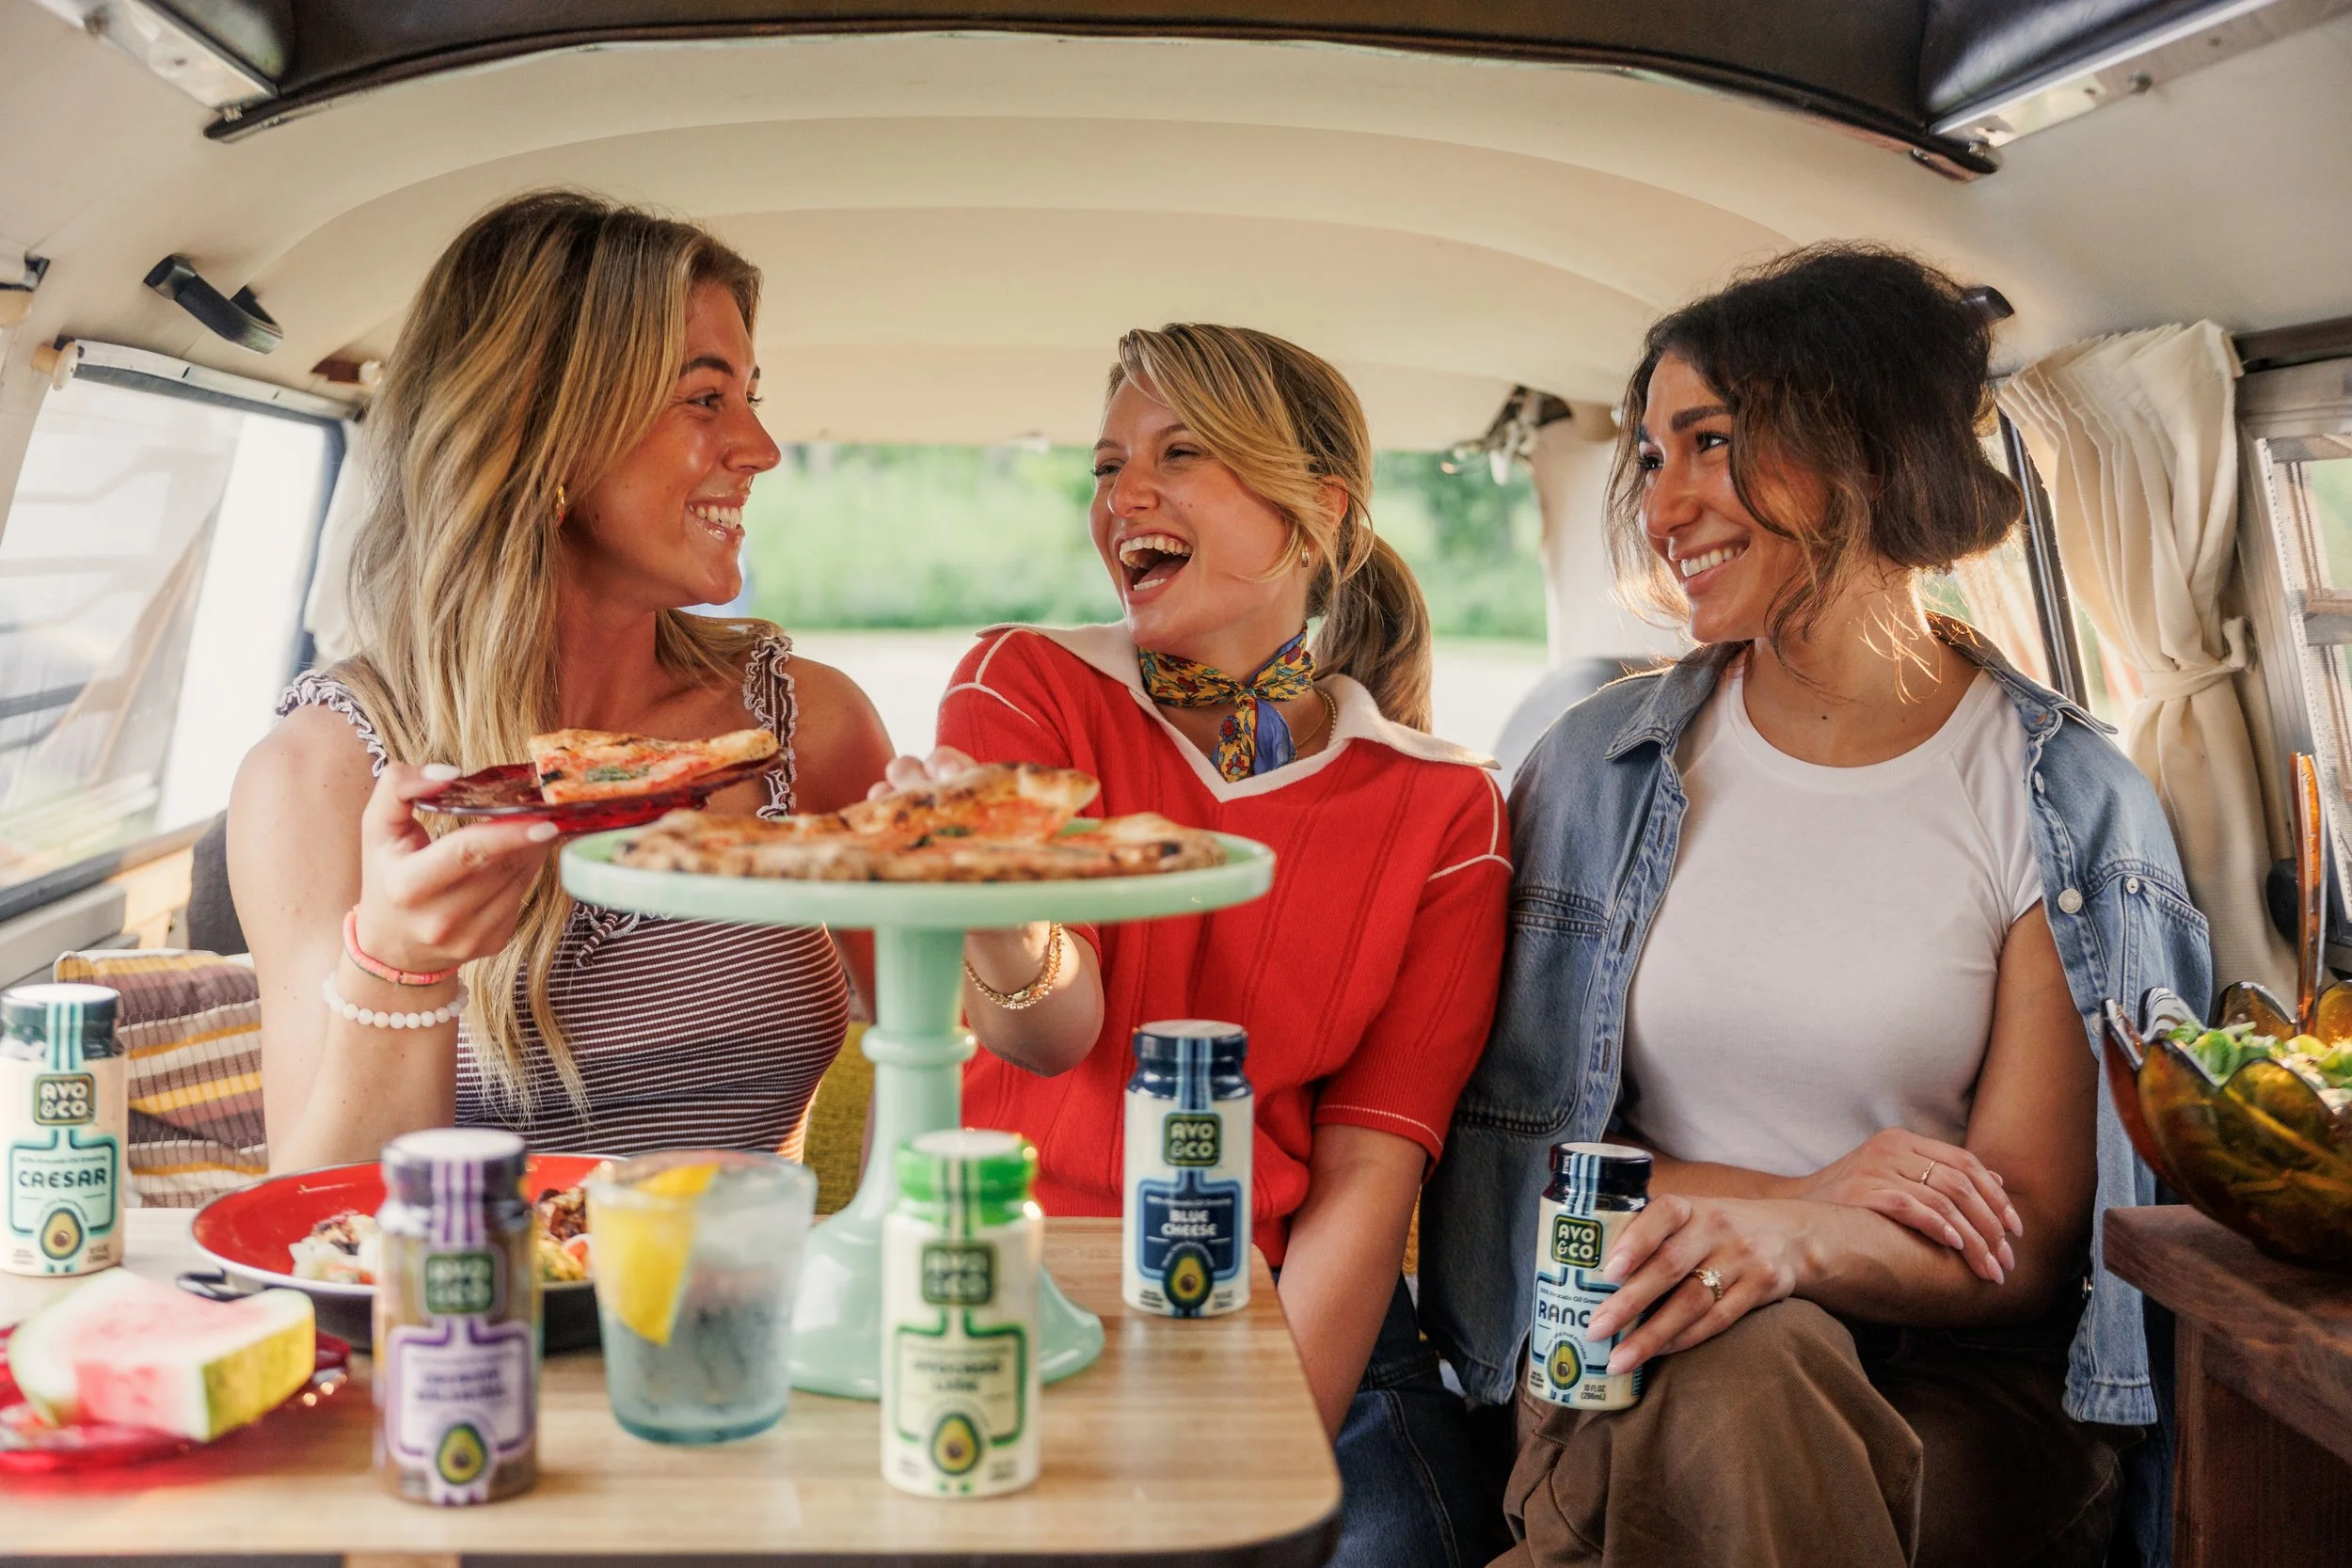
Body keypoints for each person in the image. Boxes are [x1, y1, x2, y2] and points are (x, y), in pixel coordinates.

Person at [1418, 245, 2212, 1568]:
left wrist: (1793, 1241)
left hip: (1956, 1384)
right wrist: (1793, 1202)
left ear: (1862, 450)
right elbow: (1516, 1161)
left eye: (1709, 442)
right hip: (1630, 1329)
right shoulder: (1592, 773)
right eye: (1649, 454)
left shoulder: (2068, 803)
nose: (1664, 502)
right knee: (1743, 1354)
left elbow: (2014, 1238)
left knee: (1747, 1382)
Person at [879, 324, 1511, 1566]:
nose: (1126, 497)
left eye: (1182, 453)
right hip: (1013, 1282)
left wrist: (1246, 1473)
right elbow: (1049, 1030)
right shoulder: (1026, 684)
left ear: (1318, 510)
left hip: (1284, 1308)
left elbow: (1367, 1181)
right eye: (1109, 465)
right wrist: (1001, 918)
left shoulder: (1446, 808)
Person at [232, 191, 892, 1173]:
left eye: (754, 396)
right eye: (706, 397)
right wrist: (400, 965)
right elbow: (318, 1215)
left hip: (743, 1309)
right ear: (550, 433)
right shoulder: (318, 775)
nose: (761, 449)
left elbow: (948, 1051)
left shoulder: (807, 726)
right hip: (465, 1315)